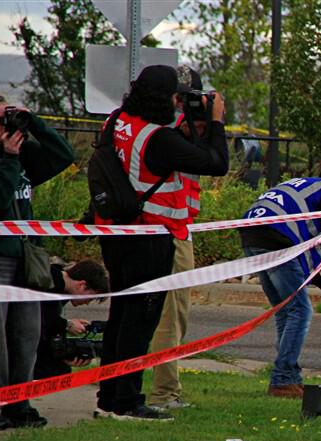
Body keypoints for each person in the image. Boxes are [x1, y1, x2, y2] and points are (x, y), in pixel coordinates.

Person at [94, 65, 228, 421]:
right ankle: (128, 401)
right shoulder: (158, 138)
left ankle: (108, 397)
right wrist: (215, 122)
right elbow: (217, 163)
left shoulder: (117, 120)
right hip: (151, 236)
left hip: (116, 232)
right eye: (175, 97)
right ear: (165, 98)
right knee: (141, 321)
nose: (178, 103)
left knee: (120, 316)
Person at [239, 164, 321, 398]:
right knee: (300, 311)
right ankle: (282, 379)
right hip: (275, 239)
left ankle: (289, 377)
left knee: (285, 310)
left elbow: (301, 261)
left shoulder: (307, 189)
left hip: (253, 234)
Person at [0, 93, 75, 430]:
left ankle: (19, 402)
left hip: (27, 258)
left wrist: (34, 121)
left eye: (10, 117)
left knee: (27, 334)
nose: (7, 126)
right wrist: (9, 158)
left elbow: (63, 156)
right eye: (1, 120)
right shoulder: (7, 158)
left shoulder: (24, 153)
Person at [148, 65, 208, 410]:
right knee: (171, 317)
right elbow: (215, 161)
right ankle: (163, 393)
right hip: (169, 232)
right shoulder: (167, 134)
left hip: (177, 227)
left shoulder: (179, 132)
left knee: (172, 317)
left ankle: (162, 390)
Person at [34, 260, 109, 381]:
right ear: (82, 285)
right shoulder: (48, 284)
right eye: (89, 298)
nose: (86, 303)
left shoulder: (55, 283)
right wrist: (67, 324)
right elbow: (38, 319)